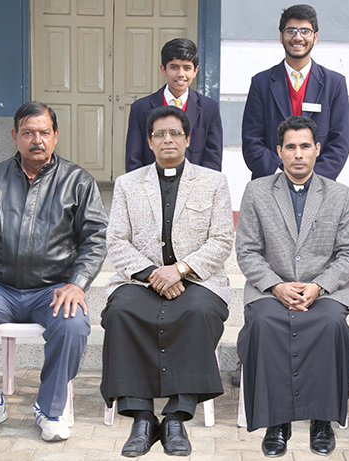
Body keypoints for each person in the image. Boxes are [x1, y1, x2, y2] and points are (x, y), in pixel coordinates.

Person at [0, 101, 108, 442]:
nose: (37, 140)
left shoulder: (78, 181)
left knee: (73, 324)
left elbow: (95, 239)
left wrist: (77, 284)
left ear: (55, 135)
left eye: (44, 133)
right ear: (15, 136)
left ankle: (50, 409)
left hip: (53, 288)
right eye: (28, 133)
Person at [101, 105, 234, 457]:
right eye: (159, 134)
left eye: (175, 133)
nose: (168, 139)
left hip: (198, 280)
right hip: (142, 280)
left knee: (198, 313)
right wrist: (152, 273)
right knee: (121, 311)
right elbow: (117, 240)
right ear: (149, 142)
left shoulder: (213, 182)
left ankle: (176, 416)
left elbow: (222, 239)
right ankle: (141, 417)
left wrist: (181, 269)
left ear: (188, 139)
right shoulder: (128, 184)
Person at [236, 115, 349, 457]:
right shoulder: (257, 191)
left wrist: (319, 286)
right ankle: (277, 422)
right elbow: (246, 250)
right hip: (270, 289)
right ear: (279, 152)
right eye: (290, 147)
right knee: (264, 323)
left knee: (332, 325)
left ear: (317, 149)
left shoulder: (339, 194)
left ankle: (322, 420)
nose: (298, 154)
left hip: (324, 291)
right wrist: (276, 286)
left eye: (305, 146)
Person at [241, 4, 349, 181]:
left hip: (319, 185)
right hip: (270, 182)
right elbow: (252, 139)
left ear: (315, 37)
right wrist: (281, 176)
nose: (298, 37)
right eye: (291, 31)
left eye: (305, 31)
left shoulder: (334, 84)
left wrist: (311, 179)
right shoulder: (261, 83)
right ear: (281, 36)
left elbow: (339, 143)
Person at [125, 38, 223, 172]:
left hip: (195, 183)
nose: (181, 74)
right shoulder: (140, 108)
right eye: (174, 67)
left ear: (195, 71)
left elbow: (213, 160)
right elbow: (134, 160)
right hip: (151, 183)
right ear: (163, 69)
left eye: (187, 68)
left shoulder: (209, 108)